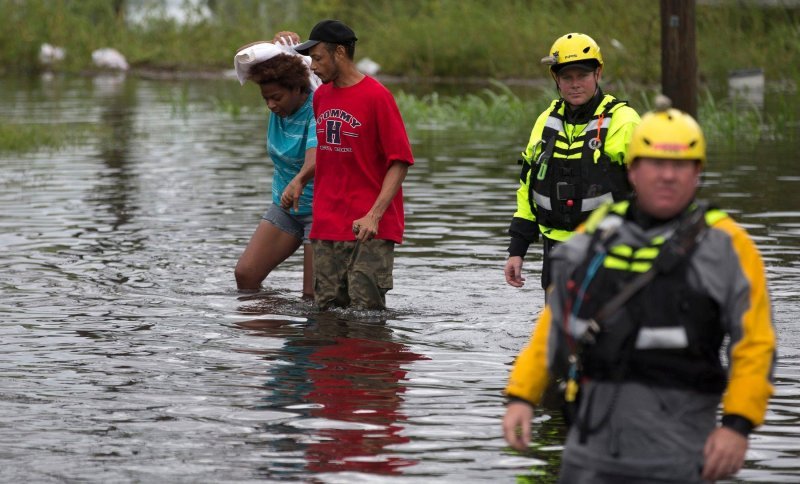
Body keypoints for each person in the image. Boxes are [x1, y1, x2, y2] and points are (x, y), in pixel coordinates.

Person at [501, 101, 776, 483]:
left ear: (697, 173)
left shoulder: (728, 246)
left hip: (678, 450)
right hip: (591, 450)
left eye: (680, 166)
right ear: (632, 170)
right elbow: (556, 323)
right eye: (654, 164)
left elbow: (755, 345)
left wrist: (738, 424)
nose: (667, 176)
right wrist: (521, 396)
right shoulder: (598, 234)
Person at [278, 19, 414, 310]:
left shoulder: (377, 97)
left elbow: (400, 161)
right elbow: (329, 151)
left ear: (339, 52)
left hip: (367, 229)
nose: (312, 68)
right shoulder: (321, 97)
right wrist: (301, 178)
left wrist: (374, 215)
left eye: (317, 58)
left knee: (366, 318)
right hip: (326, 226)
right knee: (327, 317)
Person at [504, 33, 641, 291]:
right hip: (556, 249)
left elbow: (650, 190)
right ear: (556, 79)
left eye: (582, 76)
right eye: (567, 77)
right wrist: (517, 249)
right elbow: (527, 188)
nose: (575, 84)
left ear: (598, 74)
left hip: (610, 249)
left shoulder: (624, 121)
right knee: (556, 328)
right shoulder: (546, 121)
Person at [233, 39, 319, 296]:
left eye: (276, 97)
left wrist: (299, 180)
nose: (271, 104)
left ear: (297, 88)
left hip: (319, 211)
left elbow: (316, 159)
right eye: (266, 98)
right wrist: (275, 43)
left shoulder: (317, 106)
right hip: (286, 206)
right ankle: (271, 327)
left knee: (312, 296)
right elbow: (246, 54)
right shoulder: (280, 110)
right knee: (246, 275)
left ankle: (313, 334)